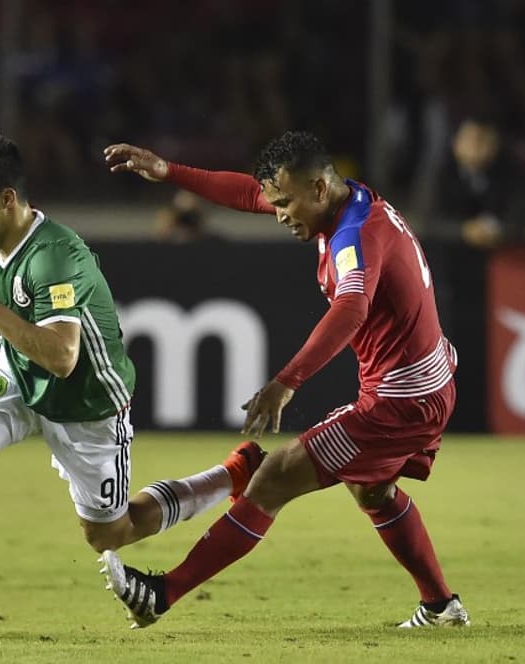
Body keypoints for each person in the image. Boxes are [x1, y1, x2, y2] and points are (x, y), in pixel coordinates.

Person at [0, 134, 266, 641]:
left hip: (86, 403)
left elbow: (61, 356)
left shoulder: (56, 256)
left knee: (110, 533)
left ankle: (228, 476)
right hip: (16, 375)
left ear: (6, 200)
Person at [98, 131, 470, 629]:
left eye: (285, 202)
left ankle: (162, 594)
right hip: (424, 381)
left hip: (400, 399)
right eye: (275, 202)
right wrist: (169, 171)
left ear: (318, 188)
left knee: (272, 477)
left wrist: (286, 381)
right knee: (372, 491)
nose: (277, 213)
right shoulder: (345, 201)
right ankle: (441, 606)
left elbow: (351, 308)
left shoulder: (353, 235)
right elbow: (249, 193)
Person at [435, 116, 525, 248]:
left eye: (485, 141)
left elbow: (518, 217)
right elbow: (424, 219)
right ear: (456, 143)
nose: (476, 147)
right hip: (443, 252)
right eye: (472, 139)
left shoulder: (511, 174)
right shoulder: (438, 173)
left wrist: (495, 229)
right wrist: (462, 230)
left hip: (496, 252)